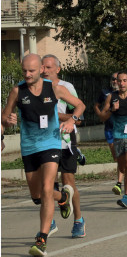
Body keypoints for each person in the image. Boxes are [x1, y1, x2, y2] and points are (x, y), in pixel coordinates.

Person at [2, 54, 86, 256]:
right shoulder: (17, 91)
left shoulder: (55, 88)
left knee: (48, 188)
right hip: (29, 146)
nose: (27, 74)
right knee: (37, 195)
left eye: (31, 70)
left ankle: (42, 239)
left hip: (51, 143)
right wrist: (7, 123)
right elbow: (4, 117)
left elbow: (80, 105)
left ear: (41, 69)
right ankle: (64, 196)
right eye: (24, 71)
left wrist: (71, 120)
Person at [41, 54, 86, 238]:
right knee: (47, 184)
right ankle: (49, 222)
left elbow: (79, 117)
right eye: (42, 67)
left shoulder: (66, 88)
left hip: (65, 141)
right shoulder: (35, 89)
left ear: (57, 69)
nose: (44, 70)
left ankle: (78, 220)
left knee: (68, 182)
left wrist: (60, 118)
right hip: (44, 142)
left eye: (49, 67)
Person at [97, 71, 127, 208]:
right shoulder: (111, 97)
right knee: (122, 167)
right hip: (118, 135)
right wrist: (111, 109)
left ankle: (126, 197)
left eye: (124, 80)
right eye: (118, 80)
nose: (121, 83)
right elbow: (102, 117)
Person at [95, 72, 125, 194]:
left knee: (121, 156)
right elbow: (96, 105)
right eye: (113, 79)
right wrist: (101, 115)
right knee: (116, 157)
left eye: (117, 79)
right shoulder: (105, 93)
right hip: (109, 129)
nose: (115, 81)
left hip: (123, 130)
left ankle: (119, 183)